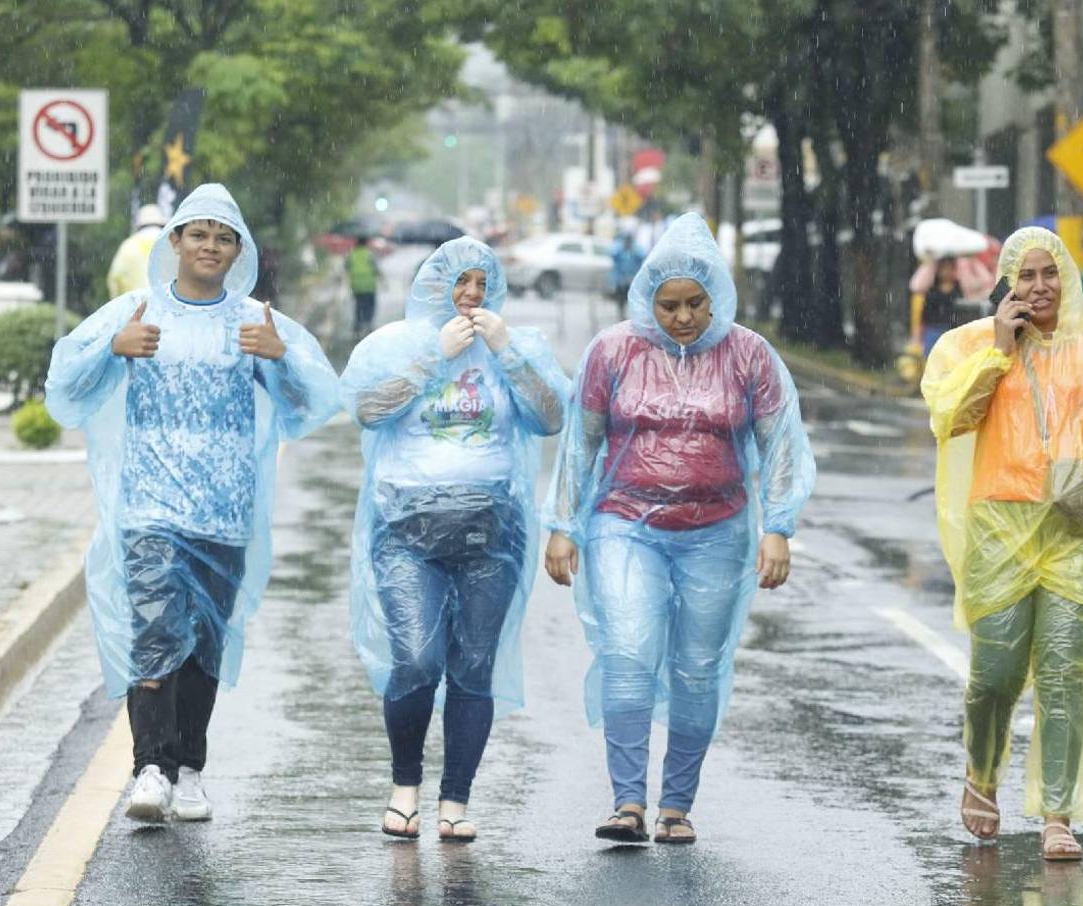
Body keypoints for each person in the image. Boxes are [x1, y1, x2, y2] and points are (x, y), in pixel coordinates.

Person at [46, 183, 340, 823]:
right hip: (149, 507)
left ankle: (191, 771)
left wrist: (281, 359)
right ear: (174, 241)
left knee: (204, 643)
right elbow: (64, 386)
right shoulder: (137, 311)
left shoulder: (254, 323)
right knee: (155, 633)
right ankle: (150, 768)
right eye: (198, 234)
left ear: (239, 251)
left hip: (225, 510)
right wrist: (110, 348)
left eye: (223, 237)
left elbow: (311, 405)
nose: (210, 246)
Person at [542, 213, 814, 845]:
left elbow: (780, 447)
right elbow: (580, 446)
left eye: (696, 303)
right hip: (624, 524)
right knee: (629, 653)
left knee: (697, 666)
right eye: (669, 305)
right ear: (647, 298)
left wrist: (778, 527)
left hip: (717, 530)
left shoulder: (748, 355)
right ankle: (628, 802)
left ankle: (677, 805)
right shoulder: (612, 351)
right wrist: (563, 524)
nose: (683, 318)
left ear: (716, 297)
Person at [921, 226, 1083, 860]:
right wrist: (999, 350)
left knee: (1064, 673)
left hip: (1078, 532)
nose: (1038, 287)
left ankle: (1059, 812)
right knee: (996, 674)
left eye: (1049, 273)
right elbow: (951, 419)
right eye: (1025, 275)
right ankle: (982, 775)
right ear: (1007, 282)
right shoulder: (969, 345)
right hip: (1000, 526)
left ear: (1066, 277)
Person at [341, 237, 568, 842]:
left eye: (480, 284)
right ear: (432, 285)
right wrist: (431, 360)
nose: (470, 296)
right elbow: (367, 410)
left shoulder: (511, 348)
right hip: (406, 531)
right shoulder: (394, 344)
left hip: (493, 532)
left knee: (473, 667)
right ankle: (405, 788)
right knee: (415, 659)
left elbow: (551, 417)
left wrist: (507, 351)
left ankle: (456, 802)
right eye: (458, 283)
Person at [107, 204, 167, 298]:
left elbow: (116, 276)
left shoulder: (128, 245)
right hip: (166, 305)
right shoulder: (171, 243)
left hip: (136, 305)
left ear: (139, 225)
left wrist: (118, 302)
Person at [910, 256, 965, 357]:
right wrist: (930, 261)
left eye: (949, 268)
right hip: (933, 330)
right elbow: (915, 285)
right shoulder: (931, 289)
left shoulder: (960, 288)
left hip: (952, 331)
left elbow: (983, 281)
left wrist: (970, 261)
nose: (946, 272)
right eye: (943, 268)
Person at [347, 236, 381, 336]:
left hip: (356, 285)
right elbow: (376, 268)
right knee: (370, 305)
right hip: (369, 285)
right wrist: (382, 280)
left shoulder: (352, 254)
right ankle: (368, 324)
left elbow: (347, 267)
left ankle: (358, 325)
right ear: (366, 243)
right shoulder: (369, 254)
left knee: (359, 305)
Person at [608, 233, 645, 321]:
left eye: (629, 241)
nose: (627, 242)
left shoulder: (636, 249)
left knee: (633, 298)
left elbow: (643, 255)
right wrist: (622, 248)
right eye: (626, 240)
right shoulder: (619, 249)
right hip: (620, 280)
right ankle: (621, 314)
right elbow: (612, 254)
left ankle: (633, 315)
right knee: (621, 299)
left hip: (633, 279)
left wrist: (633, 250)